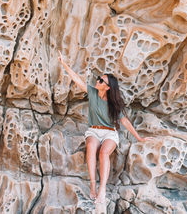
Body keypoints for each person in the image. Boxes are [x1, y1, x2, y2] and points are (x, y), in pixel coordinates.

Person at [57, 51, 152, 204]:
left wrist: (139, 137)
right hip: (94, 130)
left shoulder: (113, 104)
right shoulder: (93, 93)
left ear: (107, 87)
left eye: (101, 80)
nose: (98, 81)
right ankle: (93, 186)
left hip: (109, 133)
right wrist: (64, 64)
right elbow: (77, 80)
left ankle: (102, 190)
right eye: (99, 79)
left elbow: (125, 121)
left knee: (103, 153)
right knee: (91, 147)